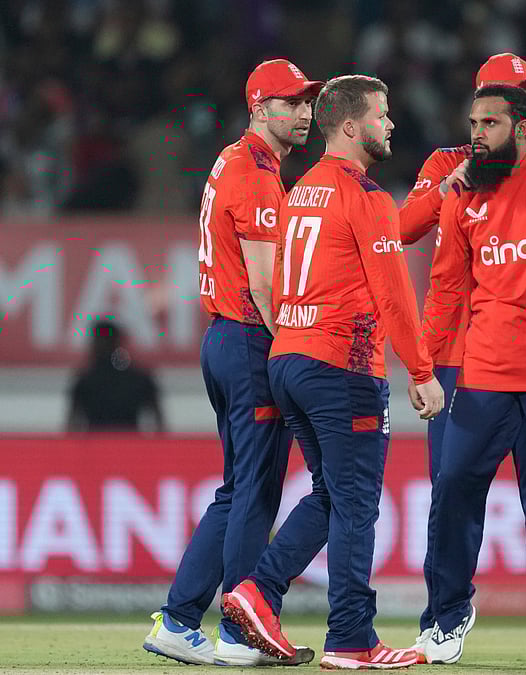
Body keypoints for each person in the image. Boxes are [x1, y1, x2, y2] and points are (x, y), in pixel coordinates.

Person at [220, 74, 444, 671]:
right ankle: (350, 639)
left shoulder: (301, 192)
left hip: (288, 358)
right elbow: (394, 293)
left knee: (331, 495)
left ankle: (258, 591)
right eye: (382, 113)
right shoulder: (366, 197)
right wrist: (421, 371)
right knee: (356, 504)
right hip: (341, 364)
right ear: (351, 125)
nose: (390, 123)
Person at [396, 53, 526, 665]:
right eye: (474, 121)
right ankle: (445, 620)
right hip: (478, 373)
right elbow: (446, 288)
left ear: (523, 123)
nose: (476, 133)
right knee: (453, 489)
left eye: (490, 123)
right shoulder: (454, 185)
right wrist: (425, 367)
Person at [141, 58, 320, 667]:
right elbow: (268, 290)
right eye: (291, 103)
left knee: (239, 488)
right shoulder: (258, 177)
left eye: (306, 103)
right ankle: (241, 632)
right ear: (258, 107)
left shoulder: (232, 160)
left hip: (225, 338)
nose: (303, 113)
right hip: (249, 341)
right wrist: (297, 348)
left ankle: (179, 618)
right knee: (256, 494)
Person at [69, 320, 164, 433]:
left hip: (95, 446)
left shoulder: (85, 380)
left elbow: (72, 426)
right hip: (129, 445)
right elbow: (160, 425)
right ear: (119, 343)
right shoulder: (140, 379)